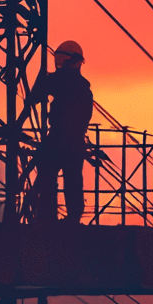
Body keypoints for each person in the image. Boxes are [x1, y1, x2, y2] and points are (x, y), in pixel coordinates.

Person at [26, 40, 93, 223]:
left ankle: (47, 217)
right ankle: (73, 218)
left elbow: (32, 99)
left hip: (56, 139)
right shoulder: (83, 86)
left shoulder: (57, 80)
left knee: (48, 178)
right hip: (76, 141)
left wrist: (41, 79)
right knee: (73, 182)